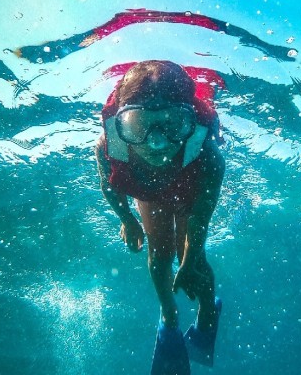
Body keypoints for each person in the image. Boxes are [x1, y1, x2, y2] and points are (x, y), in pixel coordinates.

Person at [95, 60, 225, 374]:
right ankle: (169, 317)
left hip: (189, 181)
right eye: (139, 125)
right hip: (148, 190)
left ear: (189, 123)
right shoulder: (109, 147)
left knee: (192, 256)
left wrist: (190, 258)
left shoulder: (207, 155)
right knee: (159, 253)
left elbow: (199, 220)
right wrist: (127, 220)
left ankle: (207, 313)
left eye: (171, 124)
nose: (157, 142)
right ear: (121, 124)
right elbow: (108, 187)